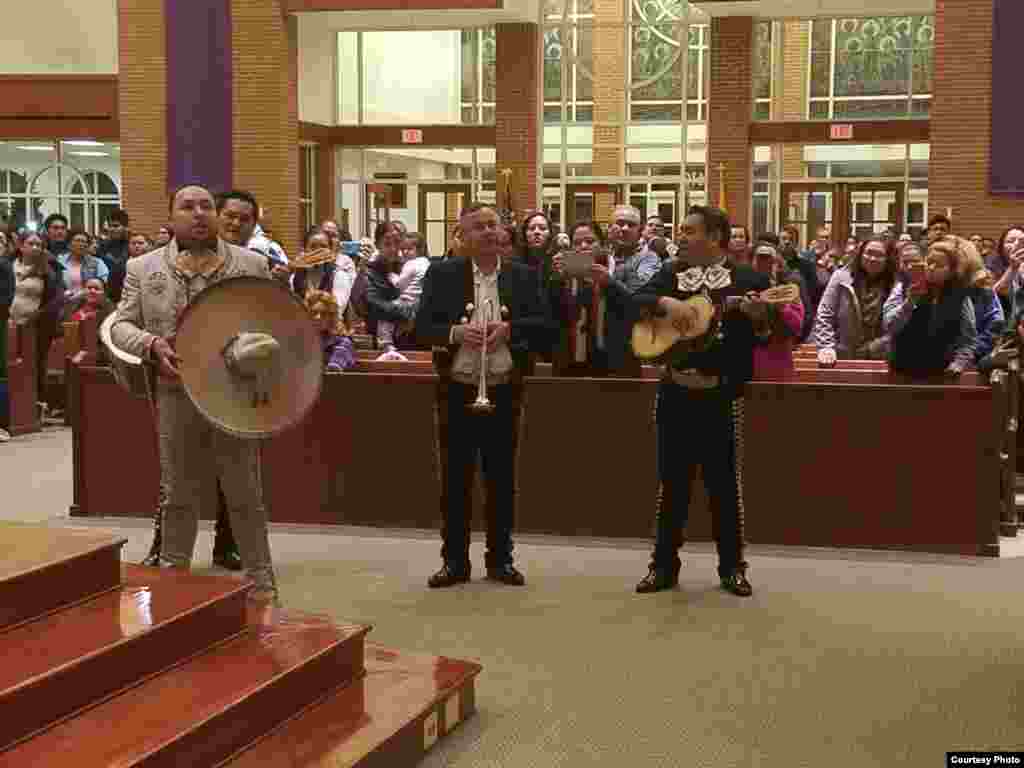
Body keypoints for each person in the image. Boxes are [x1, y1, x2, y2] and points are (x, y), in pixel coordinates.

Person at [110, 184, 278, 601]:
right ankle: (173, 584)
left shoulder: (251, 264)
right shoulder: (142, 268)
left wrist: (258, 364)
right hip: (175, 392)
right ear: (171, 217)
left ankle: (261, 585)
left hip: (232, 395)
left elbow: (274, 325)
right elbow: (120, 325)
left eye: (206, 206)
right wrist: (150, 345)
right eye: (188, 206)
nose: (199, 213)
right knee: (178, 494)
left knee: (245, 492)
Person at [632, 205, 770, 596]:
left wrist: (758, 316)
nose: (682, 237)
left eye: (689, 231)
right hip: (675, 391)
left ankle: (732, 568)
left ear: (714, 237)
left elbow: (770, 333)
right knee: (671, 485)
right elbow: (635, 301)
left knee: (724, 487)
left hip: (720, 396)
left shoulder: (748, 279)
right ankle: (662, 567)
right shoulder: (671, 273)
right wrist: (666, 304)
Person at [415, 203, 548, 589]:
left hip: (504, 389)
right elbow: (421, 327)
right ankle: (454, 562)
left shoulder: (524, 276)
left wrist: (511, 329)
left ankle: (500, 560)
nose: (490, 232)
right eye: (479, 227)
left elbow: (546, 326)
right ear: (463, 237)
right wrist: (455, 334)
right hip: (457, 390)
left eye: (494, 225)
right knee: (455, 480)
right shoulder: (442, 274)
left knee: (501, 479)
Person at [886, 235, 977, 377]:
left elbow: (968, 339)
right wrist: (909, 302)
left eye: (940, 265)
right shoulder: (904, 287)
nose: (932, 268)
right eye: (929, 262)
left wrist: (959, 362)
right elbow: (889, 326)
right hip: (902, 369)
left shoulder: (960, 296)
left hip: (942, 372)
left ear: (951, 271)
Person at [814, 236, 899, 365]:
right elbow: (825, 314)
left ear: (888, 259)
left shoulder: (896, 284)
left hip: (881, 358)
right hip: (843, 356)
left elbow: (898, 323)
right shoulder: (841, 277)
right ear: (860, 254)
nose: (872, 259)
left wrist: (879, 345)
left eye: (879, 255)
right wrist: (826, 347)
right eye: (868, 253)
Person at [602, 205, 661, 377]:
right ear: (610, 228)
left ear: (640, 230)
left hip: (632, 344)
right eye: (619, 223)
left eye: (631, 224)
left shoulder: (649, 258)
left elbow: (637, 297)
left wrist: (609, 280)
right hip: (598, 342)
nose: (625, 228)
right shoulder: (603, 255)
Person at [750, 234, 805, 380]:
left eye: (769, 259)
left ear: (778, 263)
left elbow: (796, 327)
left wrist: (780, 306)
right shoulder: (742, 285)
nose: (764, 263)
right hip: (746, 365)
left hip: (777, 366)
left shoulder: (788, 289)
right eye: (759, 258)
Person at [375, 231, 431, 361]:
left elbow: (399, 284)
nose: (405, 252)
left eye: (409, 249)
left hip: (407, 301)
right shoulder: (426, 262)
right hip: (418, 303)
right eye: (403, 249)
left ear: (420, 249)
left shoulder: (411, 264)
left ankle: (386, 344)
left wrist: (389, 275)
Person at [305, 289, 355, 372]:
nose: (318, 317)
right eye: (314, 312)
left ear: (331, 317)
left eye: (323, 314)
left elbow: (333, 371)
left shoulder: (342, 342)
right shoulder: (300, 338)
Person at [57, 228, 109, 300]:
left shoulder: (97, 263)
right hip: (65, 303)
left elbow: (104, 283)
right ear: (69, 244)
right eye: (78, 241)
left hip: (89, 303)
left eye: (84, 242)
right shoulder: (60, 262)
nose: (81, 244)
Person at [96, 209, 131, 303]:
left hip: (128, 297)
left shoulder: (132, 246)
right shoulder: (101, 248)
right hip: (106, 299)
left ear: (126, 227)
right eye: (110, 226)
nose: (112, 229)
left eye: (116, 226)